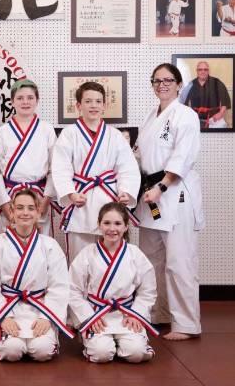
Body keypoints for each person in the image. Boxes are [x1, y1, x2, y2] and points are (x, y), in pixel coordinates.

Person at [135, 63, 204, 341]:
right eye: (157, 80)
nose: (162, 84)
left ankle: (187, 323)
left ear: (178, 84)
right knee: (152, 260)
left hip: (173, 193)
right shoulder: (152, 116)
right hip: (150, 194)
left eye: (168, 80)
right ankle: (159, 314)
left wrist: (162, 186)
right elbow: (141, 156)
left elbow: (182, 157)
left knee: (179, 260)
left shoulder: (185, 115)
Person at [52, 81, 140, 264]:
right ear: (78, 106)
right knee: (79, 260)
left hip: (109, 201)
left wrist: (126, 191)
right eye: (88, 101)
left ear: (104, 106)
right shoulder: (69, 134)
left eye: (98, 101)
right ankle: (78, 294)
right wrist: (70, 193)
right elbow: (60, 168)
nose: (93, 105)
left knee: (111, 258)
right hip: (80, 201)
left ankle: (110, 293)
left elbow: (127, 168)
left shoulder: (114, 135)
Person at [0, 189, 73, 362]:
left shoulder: (50, 246)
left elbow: (59, 286)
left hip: (40, 308)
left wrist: (47, 317)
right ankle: (0, 338)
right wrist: (4, 317)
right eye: (20, 208)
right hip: (8, 308)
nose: (25, 213)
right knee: (11, 351)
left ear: (38, 212)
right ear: (12, 212)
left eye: (31, 208)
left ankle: (45, 332)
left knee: (42, 352)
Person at [69, 202, 158, 363]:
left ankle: (134, 344)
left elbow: (148, 290)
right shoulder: (87, 254)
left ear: (125, 227)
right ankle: (95, 342)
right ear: (99, 225)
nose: (112, 228)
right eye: (107, 223)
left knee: (136, 354)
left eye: (118, 223)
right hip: (97, 314)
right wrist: (89, 317)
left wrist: (136, 314)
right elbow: (73, 290)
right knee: (101, 355)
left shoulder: (134, 254)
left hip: (126, 314)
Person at [0, 79, 57, 236]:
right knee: (9, 246)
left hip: (38, 197)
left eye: (30, 98)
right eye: (20, 98)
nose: (25, 102)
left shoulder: (47, 130)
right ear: (12, 101)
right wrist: (4, 203)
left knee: (39, 245)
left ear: (37, 101)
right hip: (11, 196)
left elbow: (55, 168)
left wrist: (46, 201)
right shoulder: (2, 132)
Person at [179, 61, 231, 129]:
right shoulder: (191, 84)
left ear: (208, 71)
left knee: (221, 126)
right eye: (200, 69)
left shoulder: (217, 82)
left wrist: (220, 113)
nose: (203, 72)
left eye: (205, 69)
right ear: (197, 71)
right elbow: (183, 103)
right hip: (196, 119)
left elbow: (225, 100)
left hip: (214, 119)